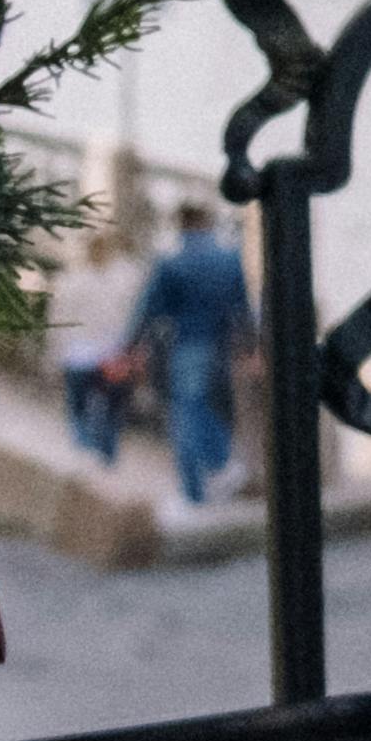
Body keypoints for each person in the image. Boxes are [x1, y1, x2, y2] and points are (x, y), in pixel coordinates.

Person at [113, 195, 250, 508]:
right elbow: (243, 308)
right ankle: (218, 467)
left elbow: (146, 311)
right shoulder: (230, 259)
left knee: (186, 414)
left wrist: (129, 347)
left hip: (186, 344)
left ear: (182, 224)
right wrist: (250, 347)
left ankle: (198, 488)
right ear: (207, 222)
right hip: (221, 347)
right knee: (208, 407)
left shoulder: (170, 262)